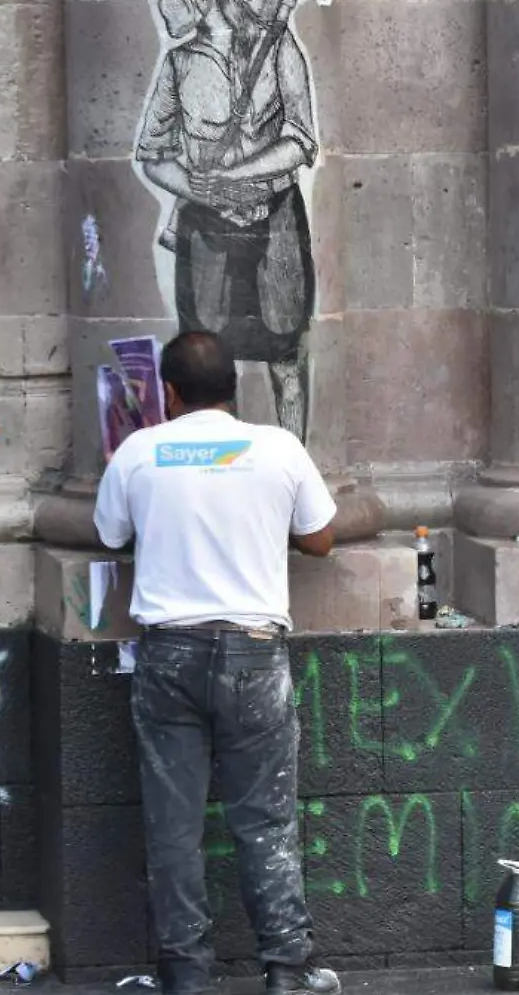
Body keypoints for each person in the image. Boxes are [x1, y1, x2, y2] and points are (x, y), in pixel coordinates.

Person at [94, 331, 341, 995]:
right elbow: (320, 538)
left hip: (168, 655)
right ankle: (287, 971)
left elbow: (109, 533)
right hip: (254, 655)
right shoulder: (279, 449)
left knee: (172, 828)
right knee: (266, 821)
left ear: (168, 394)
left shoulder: (139, 453)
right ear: (236, 386)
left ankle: (185, 976)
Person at [132, 0, 322, 440]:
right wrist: (200, 190)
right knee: (211, 364)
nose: (161, 1)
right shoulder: (179, 64)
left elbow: (301, 140)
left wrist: (234, 176)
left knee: (285, 353)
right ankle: (224, 472)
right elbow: (152, 154)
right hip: (206, 229)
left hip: (275, 218)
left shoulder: (275, 44)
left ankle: (295, 470)